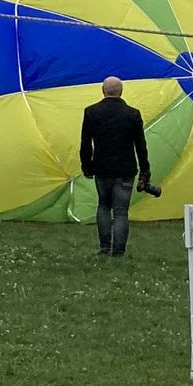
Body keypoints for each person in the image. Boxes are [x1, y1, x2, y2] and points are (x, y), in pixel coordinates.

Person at [79, 75, 152, 257]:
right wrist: (145, 171)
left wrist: (87, 167)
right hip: (125, 170)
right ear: (121, 92)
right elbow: (141, 146)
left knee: (103, 206)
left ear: (103, 91)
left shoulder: (91, 112)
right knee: (121, 212)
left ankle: (105, 247)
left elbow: (85, 144)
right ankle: (119, 250)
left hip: (102, 169)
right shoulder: (133, 114)